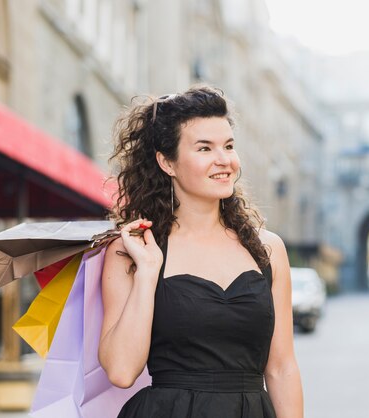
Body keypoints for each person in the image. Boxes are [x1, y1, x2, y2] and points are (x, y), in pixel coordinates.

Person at [98, 85, 304, 417]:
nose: (225, 161)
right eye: (205, 148)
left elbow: (281, 369)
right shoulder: (133, 250)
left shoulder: (268, 249)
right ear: (167, 162)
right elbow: (121, 371)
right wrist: (148, 273)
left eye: (229, 146)